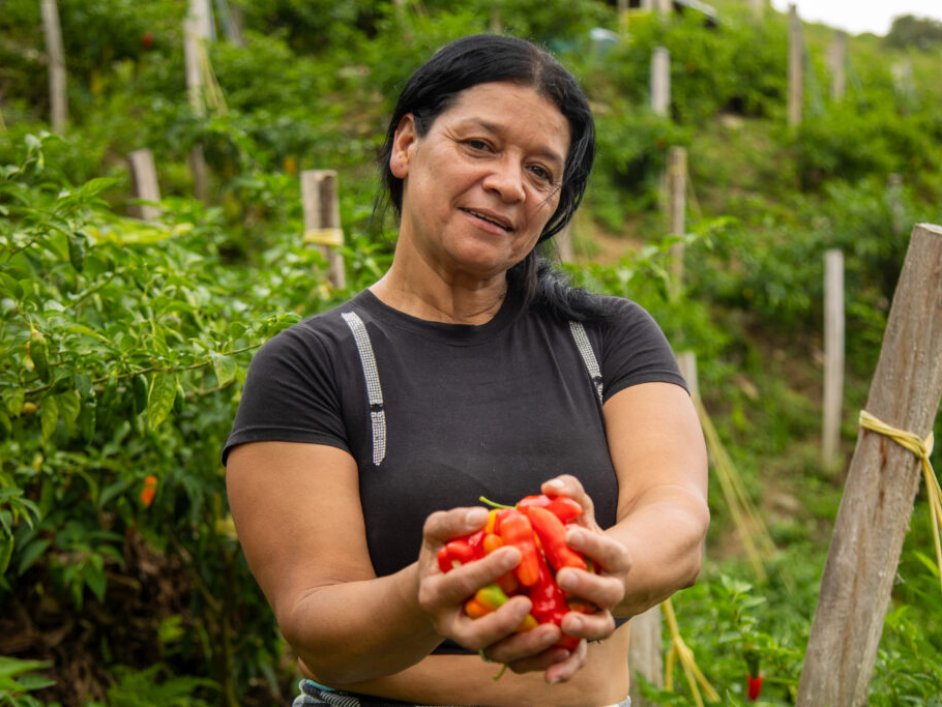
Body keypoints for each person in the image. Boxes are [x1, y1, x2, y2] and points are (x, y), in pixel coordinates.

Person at [224, 34, 709, 707]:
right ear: (405, 145)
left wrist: (595, 567)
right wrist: (425, 595)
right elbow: (315, 619)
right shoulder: (313, 363)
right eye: (479, 145)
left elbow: (676, 515)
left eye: (541, 171)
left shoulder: (608, 338)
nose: (509, 183)